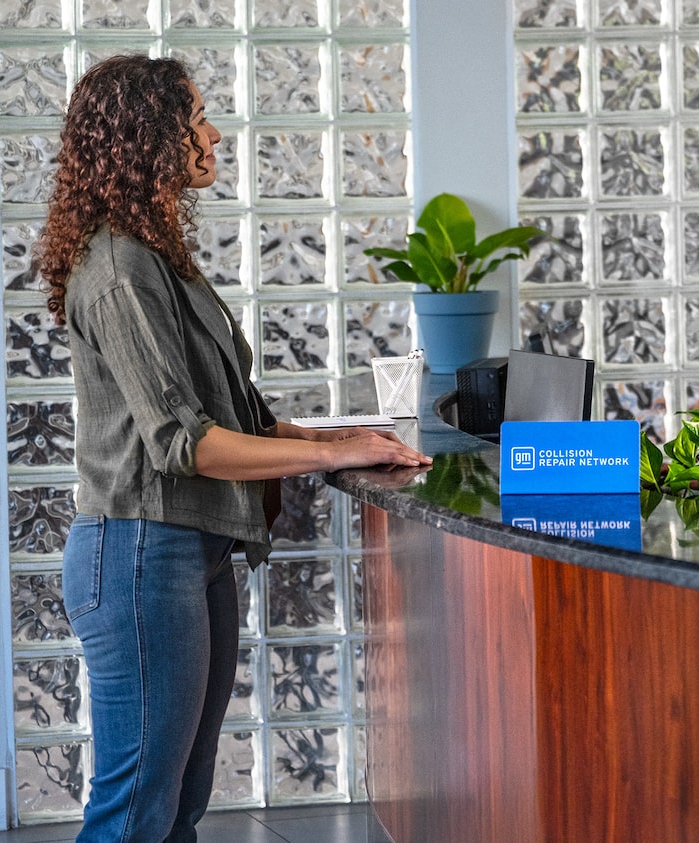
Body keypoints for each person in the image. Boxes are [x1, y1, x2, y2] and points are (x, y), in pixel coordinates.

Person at [38, 55, 431, 841]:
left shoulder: (159, 262)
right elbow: (185, 444)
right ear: (148, 138)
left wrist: (348, 440)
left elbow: (240, 417)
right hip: (138, 555)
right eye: (196, 120)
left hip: (189, 549)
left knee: (178, 803)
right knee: (134, 811)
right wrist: (325, 459)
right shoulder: (118, 269)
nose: (213, 134)